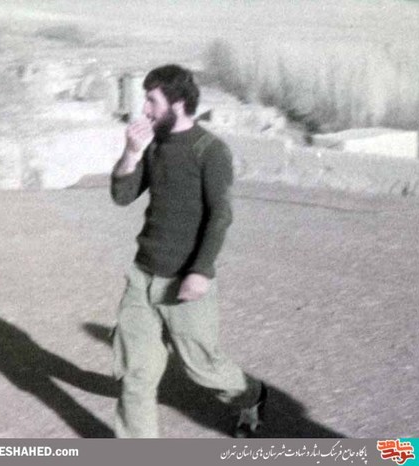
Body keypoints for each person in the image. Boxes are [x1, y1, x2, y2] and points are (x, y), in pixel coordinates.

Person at [110, 64, 267, 438]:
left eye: (152, 101)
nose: (145, 109)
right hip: (142, 276)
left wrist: (200, 271)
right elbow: (122, 195)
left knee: (202, 367)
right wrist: (131, 154)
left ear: (177, 103)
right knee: (135, 374)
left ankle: (251, 395)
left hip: (184, 278)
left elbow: (220, 216)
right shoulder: (154, 145)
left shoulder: (210, 151)